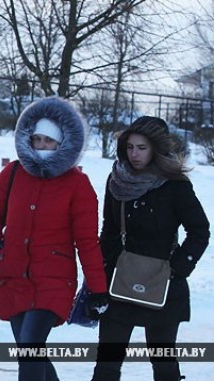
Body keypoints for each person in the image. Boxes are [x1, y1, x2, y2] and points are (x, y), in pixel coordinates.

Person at [0, 96, 109, 381]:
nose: (41, 146)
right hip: (12, 275)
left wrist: (98, 289)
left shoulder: (77, 184)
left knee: (29, 350)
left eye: (48, 141)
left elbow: (87, 241)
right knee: (31, 352)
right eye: (37, 139)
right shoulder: (12, 173)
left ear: (62, 142)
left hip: (53, 280)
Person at [91, 116, 210, 381]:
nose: (134, 154)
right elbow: (108, 231)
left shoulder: (175, 185)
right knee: (106, 365)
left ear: (157, 148)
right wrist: (103, 271)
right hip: (120, 283)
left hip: (163, 286)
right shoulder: (117, 181)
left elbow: (199, 231)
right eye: (130, 147)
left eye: (142, 148)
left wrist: (177, 269)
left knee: (164, 364)